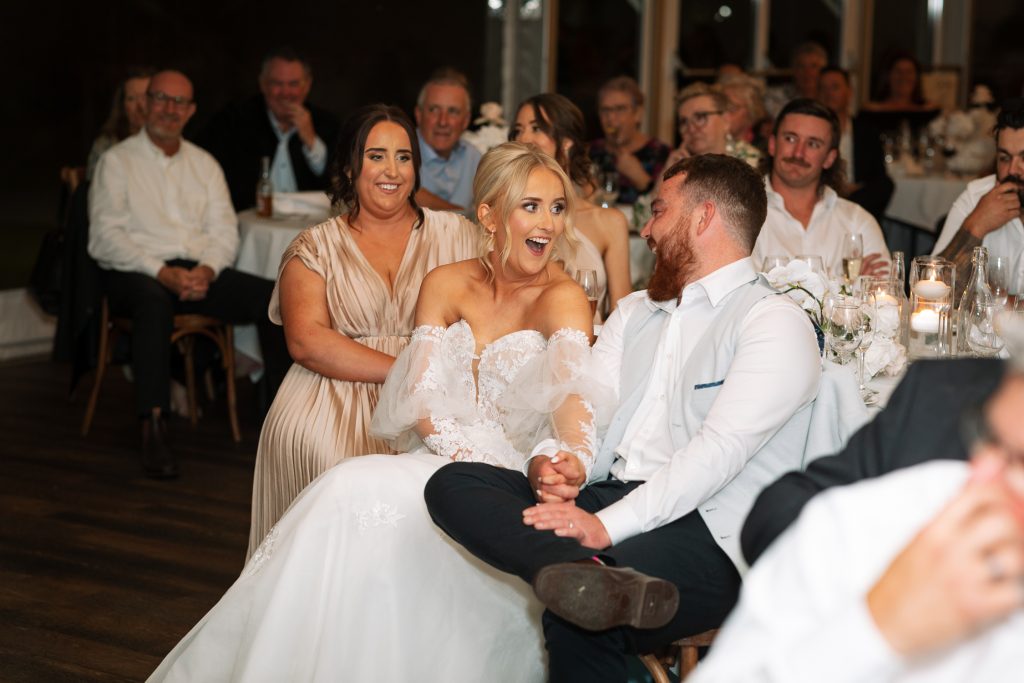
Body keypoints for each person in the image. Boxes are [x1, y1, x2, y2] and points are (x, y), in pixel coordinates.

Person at [148, 142, 612, 683]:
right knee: (343, 487)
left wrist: (571, 458)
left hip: (509, 475)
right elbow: (419, 396)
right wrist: (462, 451)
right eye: (530, 206)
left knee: (363, 495)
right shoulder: (445, 282)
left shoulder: (563, 296)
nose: (548, 223)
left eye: (557, 207)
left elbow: (572, 401)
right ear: (488, 214)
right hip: (439, 453)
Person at [426, 153, 824, 683]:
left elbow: (717, 454)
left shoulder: (773, 323)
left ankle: (586, 578)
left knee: (578, 616)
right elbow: (588, 409)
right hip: (613, 496)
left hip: (713, 533)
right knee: (456, 483)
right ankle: (581, 574)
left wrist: (601, 527)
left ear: (703, 219)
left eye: (659, 211)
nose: (647, 228)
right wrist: (558, 463)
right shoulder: (637, 310)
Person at [688, 361, 1024, 682]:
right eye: (988, 437)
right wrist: (872, 615)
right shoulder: (943, 411)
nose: (978, 472)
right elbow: (782, 511)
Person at [246, 104, 480, 556]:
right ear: (351, 166)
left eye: (404, 156)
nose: (391, 170)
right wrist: (409, 373)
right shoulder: (313, 247)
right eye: (376, 156)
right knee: (332, 472)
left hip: (433, 405)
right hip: (330, 398)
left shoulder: (459, 236)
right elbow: (307, 342)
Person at [88, 70, 290, 480]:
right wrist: (161, 272)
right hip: (139, 271)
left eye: (179, 102)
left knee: (276, 298)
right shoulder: (117, 162)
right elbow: (105, 238)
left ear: (191, 110)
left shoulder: (205, 164)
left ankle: (282, 422)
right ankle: (154, 427)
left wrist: (208, 269)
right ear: (146, 103)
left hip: (197, 270)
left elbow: (224, 230)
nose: (169, 109)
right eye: (161, 98)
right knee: (151, 302)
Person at [510, 93, 632, 319]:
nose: (523, 137)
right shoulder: (506, 217)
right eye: (518, 130)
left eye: (536, 128)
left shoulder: (608, 222)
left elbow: (621, 315)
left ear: (566, 143)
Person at [753, 98, 890, 277]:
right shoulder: (742, 215)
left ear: (829, 158)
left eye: (813, 144)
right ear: (772, 145)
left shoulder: (857, 222)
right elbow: (739, 296)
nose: (798, 153)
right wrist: (847, 284)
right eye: (790, 138)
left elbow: (886, 296)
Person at [199, 47, 340, 212]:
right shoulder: (234, 120)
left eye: (293, 84)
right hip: (249, 226)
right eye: (277, 84)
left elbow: (338, 182)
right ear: (263, 84)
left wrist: (311, 141)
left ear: (307, 85)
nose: (285, 92)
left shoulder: (327, 124)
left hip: (309, 227)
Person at [932, 100, 1024, 298]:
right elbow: (932, 292)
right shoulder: (977, 197)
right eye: (1005, 158)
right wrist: (975, 227)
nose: (1012, 171)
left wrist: (999, 303)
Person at [818, 66, 895, 222]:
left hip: (858, 198)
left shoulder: (867, 132)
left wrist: (853, 189)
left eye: (835, 87)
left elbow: (879, 177)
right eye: (822, 88)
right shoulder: (811, 132)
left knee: (885, 185)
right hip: (821, 196)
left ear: (849, 92)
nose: (828, 94)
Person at [588, 76, 671, 205]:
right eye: (605, 110)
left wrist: (641, 178)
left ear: (638, 113)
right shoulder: (588, 153)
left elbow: (668, 206)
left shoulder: (662, 154)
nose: (611, 118)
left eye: (620, 109)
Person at [413, 68, 481, 212]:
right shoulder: (401, 151)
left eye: (453, 111)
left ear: (466, 120)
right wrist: (459, 214)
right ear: (419, 115)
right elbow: (405, 194)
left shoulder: (473, 158)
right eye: (434, 110)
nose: (443, 122)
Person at [666, 82, 761, 169]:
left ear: (726, 120)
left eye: (700, 117)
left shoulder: (751, 163)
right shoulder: (680, 163)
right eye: (684, 122)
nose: (691, 129)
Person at [86, 68, 154, 180]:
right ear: (123, 106)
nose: (141, 106)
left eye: (146, 97)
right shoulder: (107, 144)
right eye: (132, 99)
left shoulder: (170, 144)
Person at [861, 53, 941, 139]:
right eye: (898, 71)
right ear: (888, 76)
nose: (904, 77)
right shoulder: (871, 114)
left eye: (909, 72)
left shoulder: (930, 112)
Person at [764, 41, 828, 121]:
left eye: (814, 66)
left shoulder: (829, 100)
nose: (807, 72)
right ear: (793, 70)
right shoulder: (776, 98)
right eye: (801, 66)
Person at [716, 72, 768, 149]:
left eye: (732, 108)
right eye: (721, 107)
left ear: (752, 113)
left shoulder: (762, 149)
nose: (724, 113)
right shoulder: (710, 144)